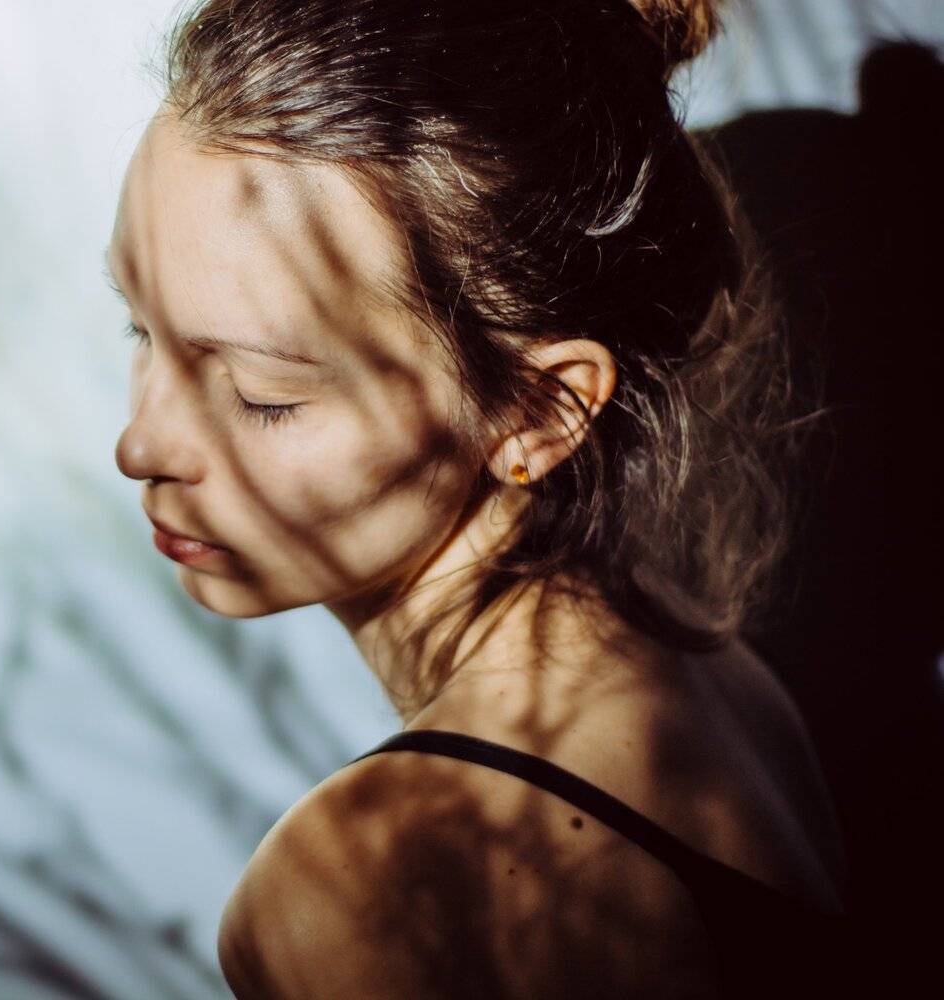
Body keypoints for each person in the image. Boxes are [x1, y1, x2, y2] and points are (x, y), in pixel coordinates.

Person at [105, 0, 848, 995]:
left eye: (260, 394)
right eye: (139, 329)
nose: (140, 444)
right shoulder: (706, 672)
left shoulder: (375, 881)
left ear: (540, 411)